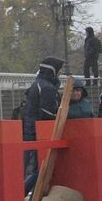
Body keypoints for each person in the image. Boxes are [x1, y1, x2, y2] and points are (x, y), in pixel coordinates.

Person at [21, 57, 64, 193]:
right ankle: (19, 194)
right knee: (38, 168)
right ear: (53, 71)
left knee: (34, 167)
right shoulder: (46, 87)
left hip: (31, 129)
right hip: (39, 132)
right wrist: (61, 116)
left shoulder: (39, 84)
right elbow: (46, 112)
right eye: (59, 70)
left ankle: (30, 196)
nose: (61, 73)